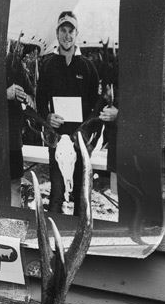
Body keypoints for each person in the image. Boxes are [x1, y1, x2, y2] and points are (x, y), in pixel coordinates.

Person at [35, 11, 100, 213]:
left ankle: (78, 240)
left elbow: (96, 107)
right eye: (63, 30)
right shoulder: (47, 65)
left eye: (71, 30)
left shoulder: (88, 67)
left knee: (81, 198)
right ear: (57, 32)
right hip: (57, 141)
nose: (67, 35)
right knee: (56, 195)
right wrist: (47, 117)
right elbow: (40, 101)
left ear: (76, 33)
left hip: (81, 142)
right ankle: (54, 241)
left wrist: (85, 132)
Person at [6, 37, 39, 180]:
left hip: (13, 139)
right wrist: (5, 94)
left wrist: (30, 99)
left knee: (15, 185)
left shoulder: (14, 62)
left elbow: (31, 93)